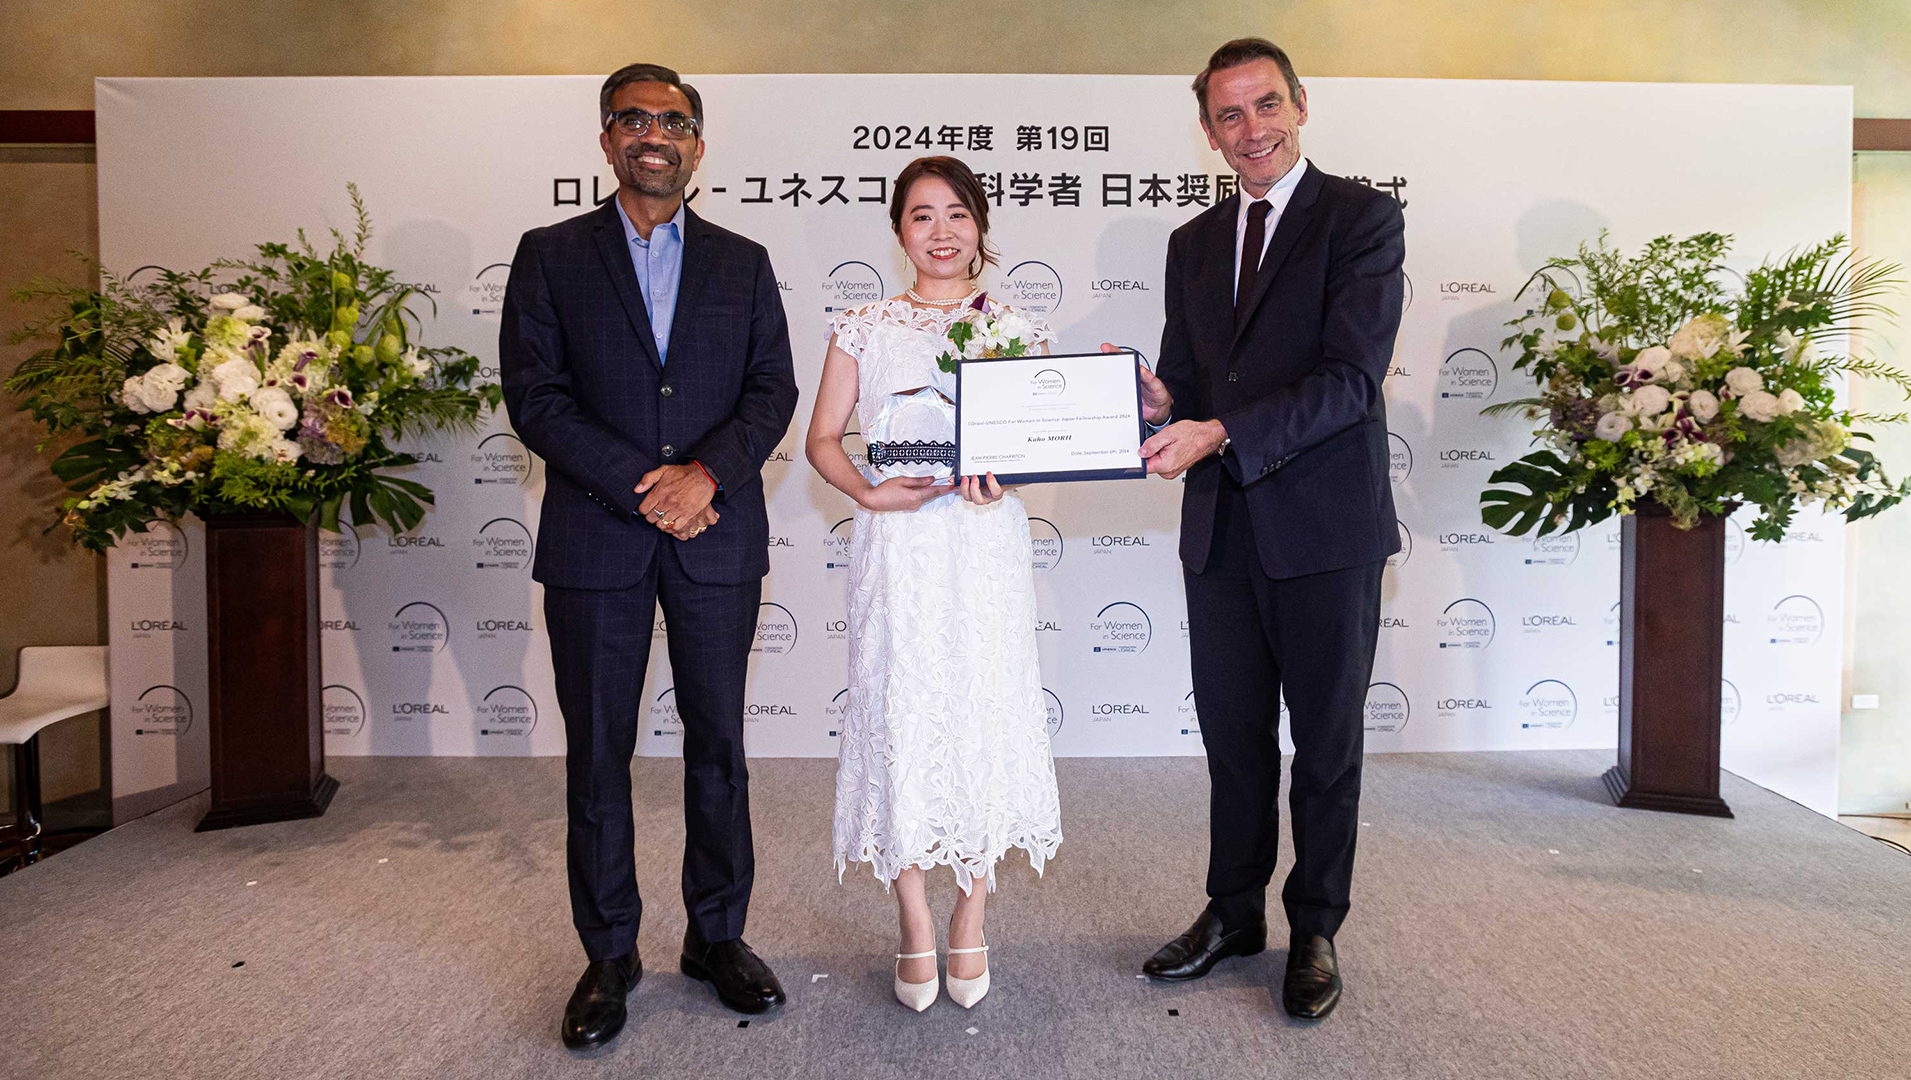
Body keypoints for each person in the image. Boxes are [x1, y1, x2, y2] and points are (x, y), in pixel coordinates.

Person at [499, 62, 798, 1049]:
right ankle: (610, 952)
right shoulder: (550, 255)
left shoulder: (743, 262)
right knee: (599, 755)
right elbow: (536, 398)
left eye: (672, 120)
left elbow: (771, 390)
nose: (653, 133)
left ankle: (717, 938)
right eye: (634, 118)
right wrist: (647, 483)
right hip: (598, 538)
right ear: (607, 139)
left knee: (719, 748)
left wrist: (703, 477)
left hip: (717, 535)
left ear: (698, 144)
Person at [1120, 38, 1405, 1021]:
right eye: (1230, 115)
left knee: (1325, 745)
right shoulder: (1191, 244)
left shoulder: (1363, 221)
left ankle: (1315, 925)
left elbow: (1348, 381)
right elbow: (1193, 388)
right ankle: (1232, 911)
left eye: (1267, 106)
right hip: (1224, 533)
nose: (1253, 131)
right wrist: (1162, 401)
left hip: (1326, 530)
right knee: (1236, 743)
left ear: (1302, 104)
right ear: (1209, 130)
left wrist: (1218, 428)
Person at [805, 156, 1063, 1012]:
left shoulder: (1017, 327)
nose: (942, 231)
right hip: (900, 545)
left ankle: (971, 911)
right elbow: (823, 441)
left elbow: (1038, 445)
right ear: (899, 230)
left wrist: (1009, 478)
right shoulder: (862, 326)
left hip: (983, 542)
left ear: (981, 227)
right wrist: (868, 493)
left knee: (980, 710)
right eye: (922, 216)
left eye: (957, 214)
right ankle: (914, 913)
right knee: (902, 710)